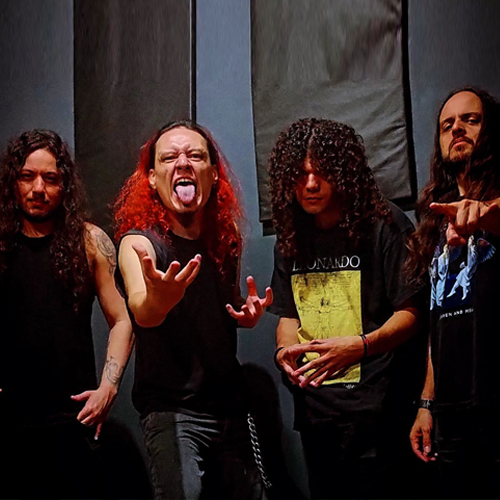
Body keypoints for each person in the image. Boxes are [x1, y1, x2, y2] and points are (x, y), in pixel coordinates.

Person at [114, 120, 272, 500]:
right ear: (152, 179)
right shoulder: (138, 245)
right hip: (173, 411)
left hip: (230, 407)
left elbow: (217, 308)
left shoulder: (225, 240)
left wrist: (244, 314)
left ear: (214, 175)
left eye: (195, 156)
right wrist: (160, 299)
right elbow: (143, 311)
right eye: (169, 157)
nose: (183, 163)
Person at [268, 118, 422, 499]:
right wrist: (284, 350)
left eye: (320, 172)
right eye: (300, 174)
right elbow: (288, 315)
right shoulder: (291, 234)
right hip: (316, 412)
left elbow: (412, 314)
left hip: (377, 410)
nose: (310, 184)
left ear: (342, 172)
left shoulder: (384, 223)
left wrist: (361, 346)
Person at [0, 129, 134, 498]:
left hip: (72, 420)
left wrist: (108, 388)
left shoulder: (90, 241)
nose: (38, 189)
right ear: (13, 181)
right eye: (27, 177)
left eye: (50, 178)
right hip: (9, 421)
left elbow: (123, 319)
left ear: (65, 186)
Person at [407, 87, 500, 499]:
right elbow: (438, 319)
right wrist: (426, 403)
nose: (457, 129)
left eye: (470, 120)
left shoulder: (492, 208)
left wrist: (485, 214)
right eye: (448, 125)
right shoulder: (435, 221)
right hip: (451, 416)